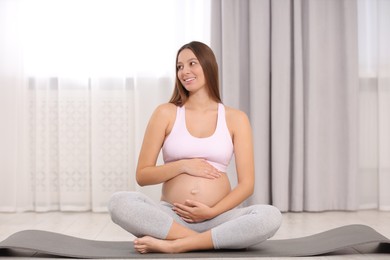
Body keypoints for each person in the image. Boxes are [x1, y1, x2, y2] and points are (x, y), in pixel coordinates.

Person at [108, 41, 282, 254]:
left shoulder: (236, 118)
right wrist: (183, 166)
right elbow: (143, 175)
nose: (184, 71)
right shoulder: (166, 113)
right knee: (119, 202)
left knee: (270, 216)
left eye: (192, 63)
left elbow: (247, 185)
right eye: (179, 66)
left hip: (219, 218)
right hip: (171, 217)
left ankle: (178, 245)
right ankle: (206, 241)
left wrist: (211, 212)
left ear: (209, 66)